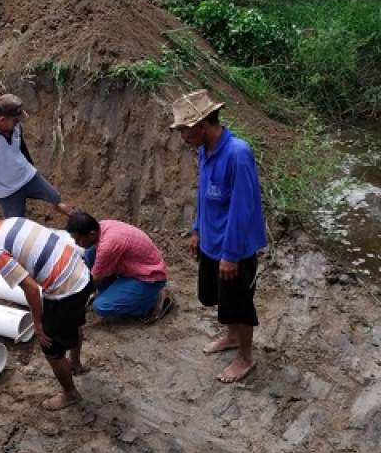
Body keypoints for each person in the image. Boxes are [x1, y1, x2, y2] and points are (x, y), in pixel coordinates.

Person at [170, 89, 267, 384]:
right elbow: (205, 194)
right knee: (220, 298)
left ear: (202, 125)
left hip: (234, 248)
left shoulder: (238, 154)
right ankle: (232, 336)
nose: (182, 137)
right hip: (212, 241)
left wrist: (231, 254)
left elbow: (242, 208)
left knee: (239, 302)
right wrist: (198, 229)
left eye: (185, 130)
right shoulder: (205, 151)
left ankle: (245, 358)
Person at [0, 208, 93, 411]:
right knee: (73, 322)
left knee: (51, 349)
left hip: (65, 291)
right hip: (83, 275)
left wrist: (38, 323)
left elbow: (31, 288)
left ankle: (70, 394)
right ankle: (76, 364)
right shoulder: (14, 220)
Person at [0, 94, 73, 218]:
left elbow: (22, 148)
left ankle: (66, 212)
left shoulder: (16, 127)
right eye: (15, 120)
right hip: (7, 191)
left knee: (55, 197)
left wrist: (33, 169)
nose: (18, 123)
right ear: (2, 119)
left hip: (27, 177)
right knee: (15, 223)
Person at [66, 211, 173, 322]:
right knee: (90, 252)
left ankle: (153, 302)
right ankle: (117, 293)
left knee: (101, 306)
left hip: (149, 277)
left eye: (78, 240)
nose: (76, 243)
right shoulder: (102, 226)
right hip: (136, 268)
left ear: (91, 234)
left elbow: (94, 280)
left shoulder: (108, 245)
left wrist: (73, 299)